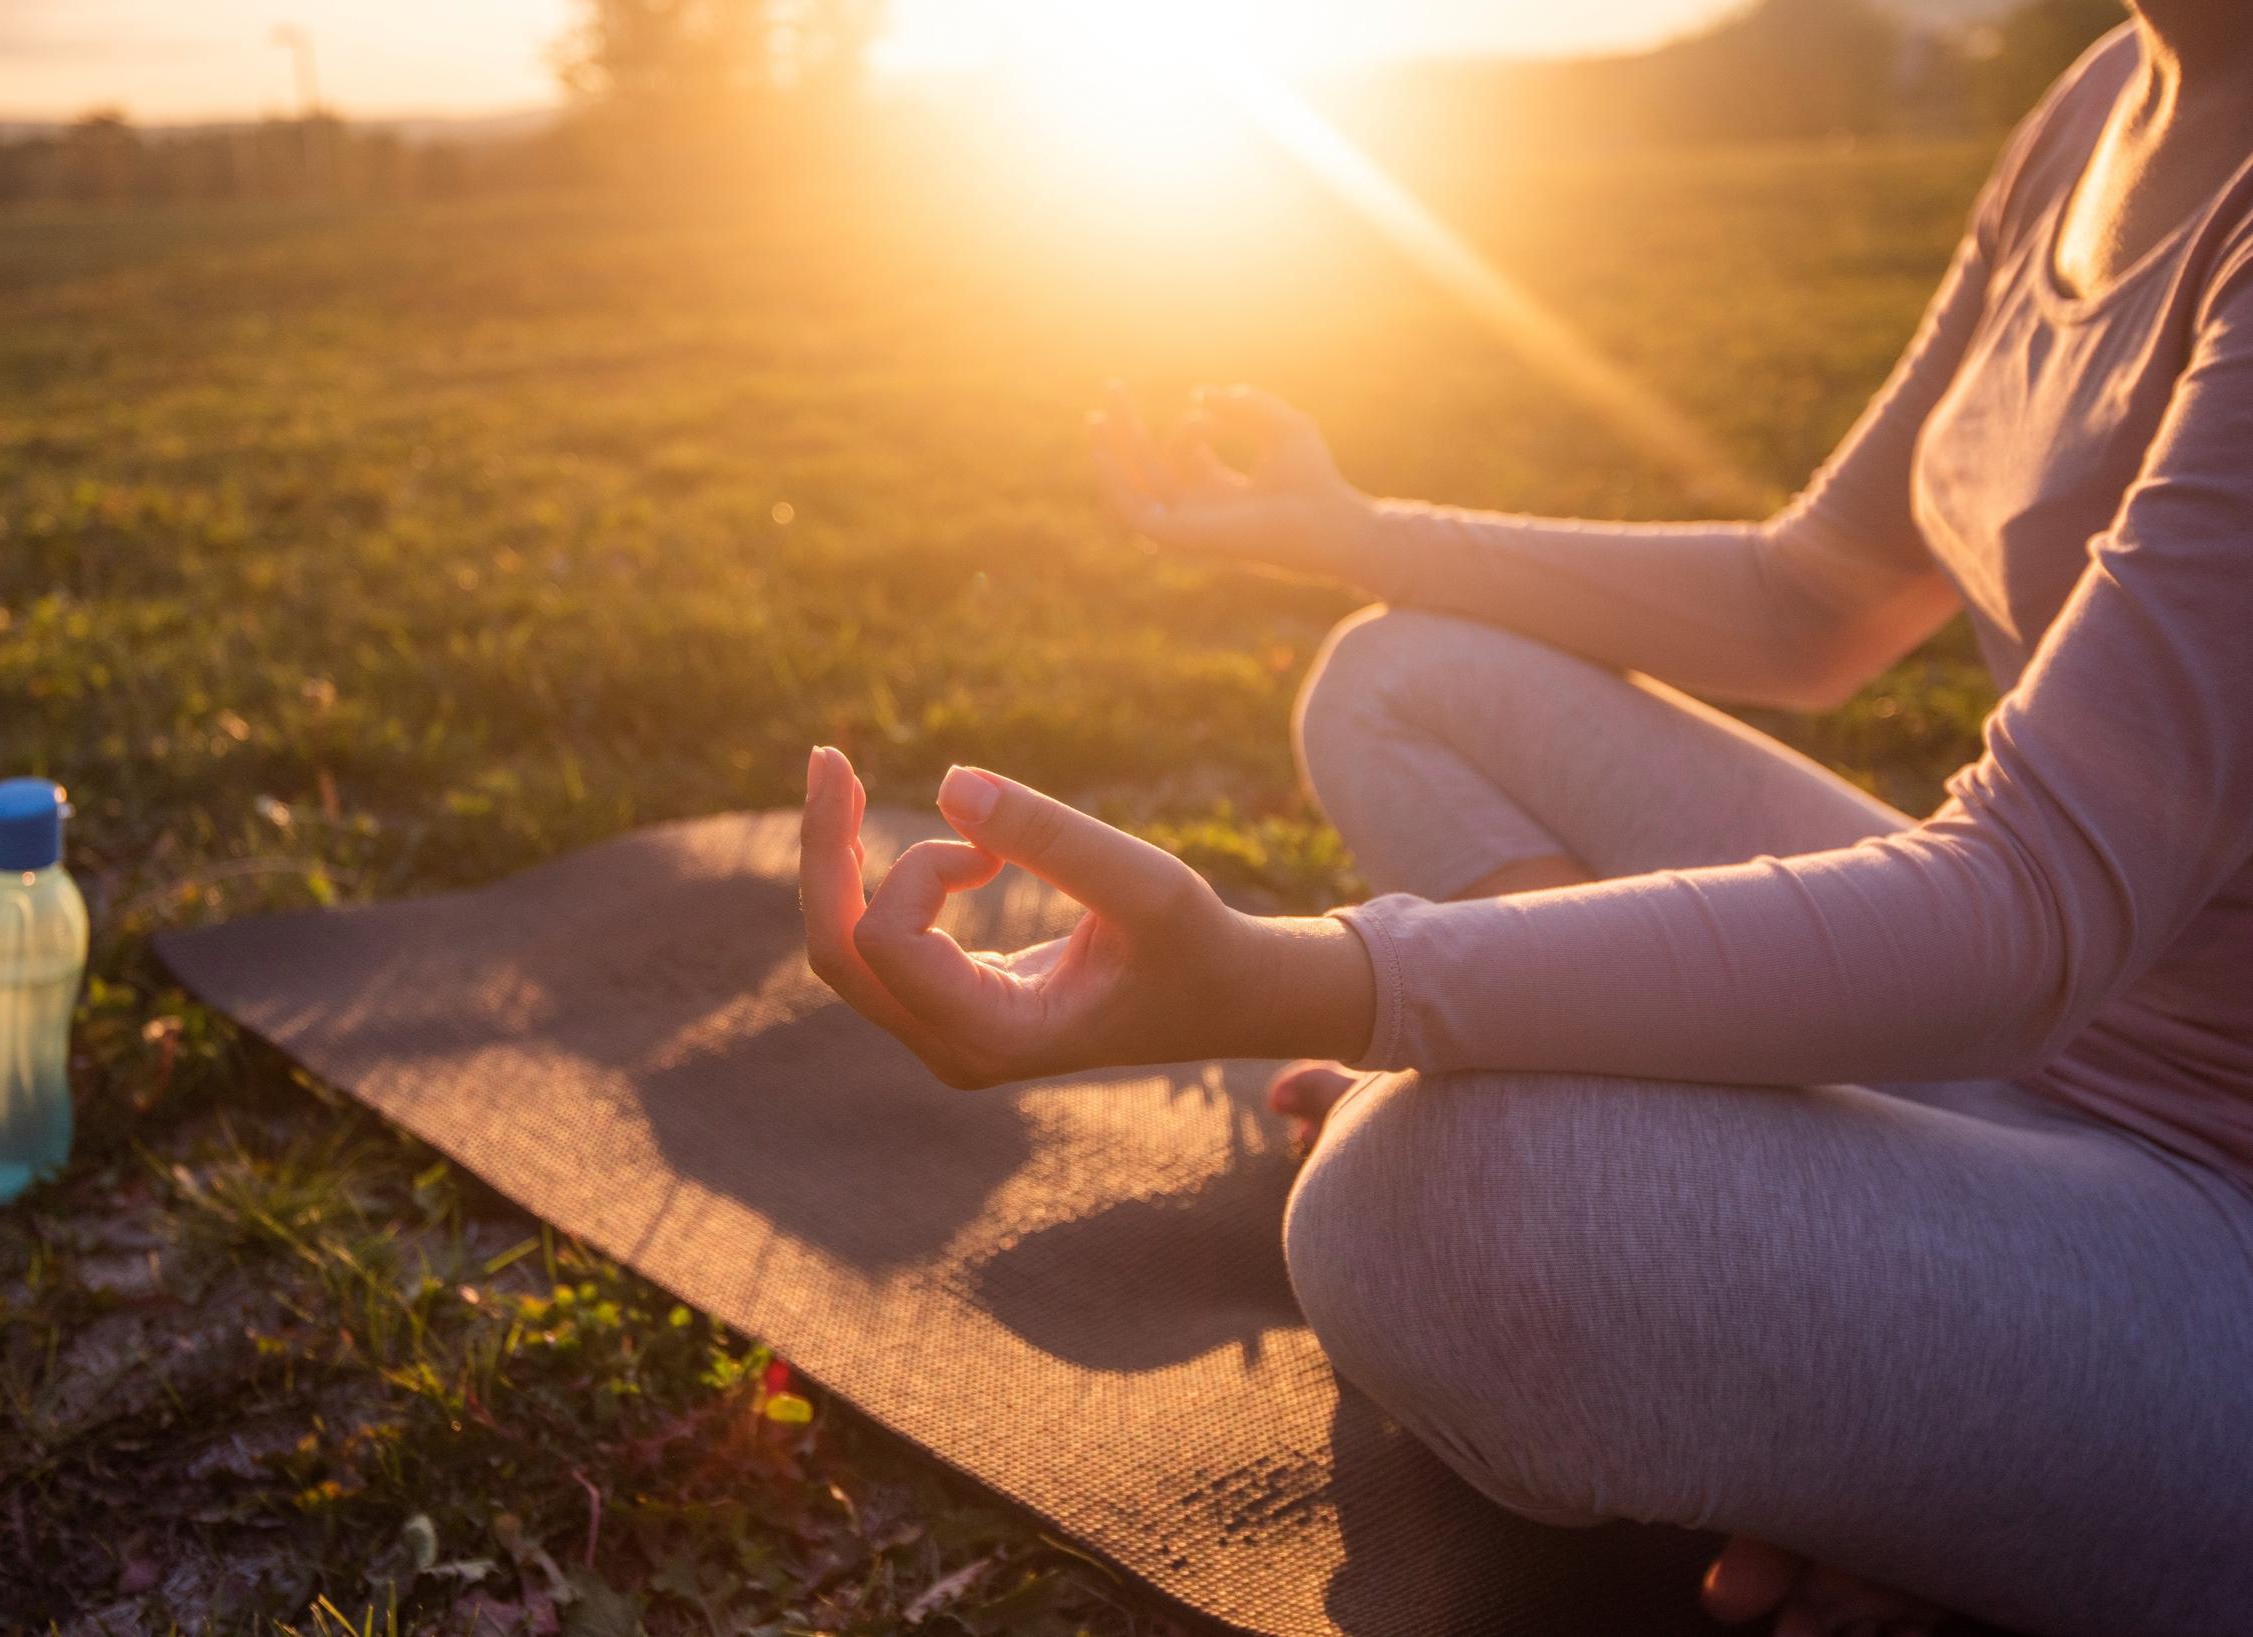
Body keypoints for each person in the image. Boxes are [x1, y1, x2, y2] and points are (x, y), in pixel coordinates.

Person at [799, 8, 2253, 1633]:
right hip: (2042, 1042)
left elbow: (2027, 909)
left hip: (2216, 1217)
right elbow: (1812, 603)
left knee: (1417, 1212)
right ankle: (1879, 1373)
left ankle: (1988, 1430)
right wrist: (1356, 531)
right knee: (1401, 682)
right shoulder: (2107, 100)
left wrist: (1317, 978)